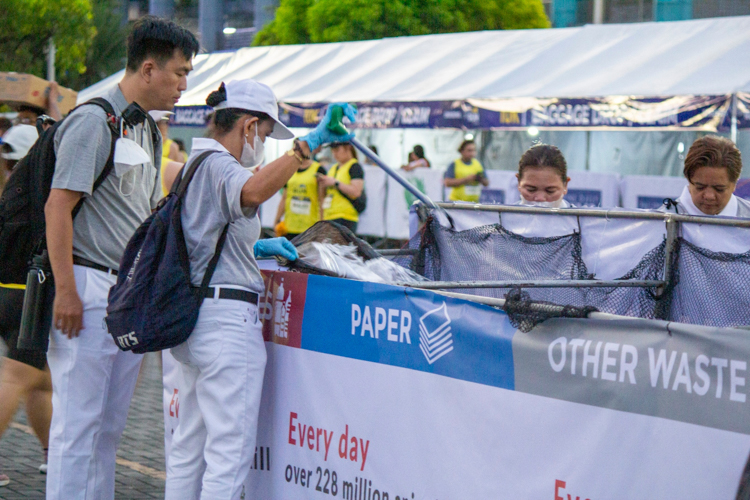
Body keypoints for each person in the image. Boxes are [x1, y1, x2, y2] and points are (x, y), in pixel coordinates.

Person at [163, 81, 355, 499]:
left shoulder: (194, 163)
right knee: (228, 456)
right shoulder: (219, 165)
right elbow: (252, 190)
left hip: (195, 319)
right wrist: (308, 146)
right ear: (249, 125)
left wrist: (253, 246)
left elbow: (204, 236)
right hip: (225, 323)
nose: (264, 144)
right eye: (266, 134)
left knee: (188, 449)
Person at [43, 17, 198, 500]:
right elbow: (58, 207)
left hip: (124, 295)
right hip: (85, 289)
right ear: (148, 69)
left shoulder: (149, 131)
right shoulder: (94, 120)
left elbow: (148, 210)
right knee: (76, 428)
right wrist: (65, 289)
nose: (183, 85)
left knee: (108, 429)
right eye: (179, 72)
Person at [0, 124, 51, 488]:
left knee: (42, 383)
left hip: (5, 292)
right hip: (28, 297)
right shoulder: (41, 188)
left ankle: (54, 454)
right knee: (16, 377)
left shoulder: (7, 186)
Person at [664, 135, 750, 217]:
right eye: (700, 187)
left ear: (734, 185)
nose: (709, 196)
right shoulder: (660, 222)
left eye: (719, 189)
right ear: (688, 180)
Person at [274, 146, 325, 239]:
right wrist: (277, 219)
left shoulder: (318, 169)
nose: (299, 152)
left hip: (310, 227)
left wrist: (322, 225)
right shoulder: (289, 170)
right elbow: (284, 198)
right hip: (289, 226)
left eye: (301, 148)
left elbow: (322, 200)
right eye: (296, 149)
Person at [318, 142, 365, 233]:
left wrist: (335, 183)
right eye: (332, 150)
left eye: (337, 150)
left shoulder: (354, 166)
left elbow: (356, 192)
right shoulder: (334, 168)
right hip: (330, 216)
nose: (334, 154)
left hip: (345, 217)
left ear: (348, 148)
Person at [516, 143, 571, 208]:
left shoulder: (582, 217)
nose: (540, 198)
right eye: (530, 190)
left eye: (550, 191)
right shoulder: (503, 217)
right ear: (519, 183)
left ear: (565, 185)